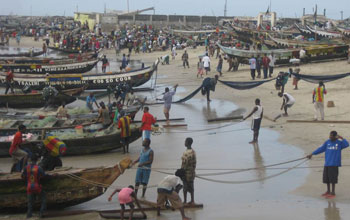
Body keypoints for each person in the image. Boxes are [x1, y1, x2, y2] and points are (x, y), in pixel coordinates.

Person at [307, 131, 349, 198]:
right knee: (327, 179)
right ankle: (328, 191)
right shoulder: (327, 142)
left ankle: (333, 193)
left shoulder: (339, 143)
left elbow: (347, 144)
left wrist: (342, 138)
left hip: (334, 164)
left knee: (333, 179)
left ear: (336, 136)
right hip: (327, 163)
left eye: (332, 136)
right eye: (330, 136)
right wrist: (312, 154)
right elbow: (320, 149)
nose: (330, 137)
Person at [22, 154, 46, 218]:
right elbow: (44, 176)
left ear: (30, 160)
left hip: (29, 187)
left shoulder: (26, 167)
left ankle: (29, 215)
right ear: (37, 160)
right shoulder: (38, 168)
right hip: (37, 186)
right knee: (43, 199)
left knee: (30, 203)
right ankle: (41, 213)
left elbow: (23, 176)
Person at [181, 137, 196, 204]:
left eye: (185, 141)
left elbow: (185, 164)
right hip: (192, 172)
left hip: (186, 173)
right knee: (191, 187)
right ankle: (192, 200)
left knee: (185, 188)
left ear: (187, 143)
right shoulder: (193, 151)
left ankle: (185, 201)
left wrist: (181, 172)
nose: (184, 143)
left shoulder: (186, 153)